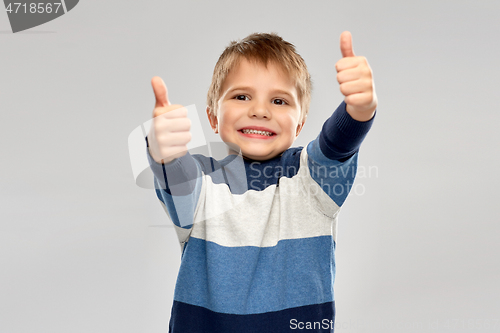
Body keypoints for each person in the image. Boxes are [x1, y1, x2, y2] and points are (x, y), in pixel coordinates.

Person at [146, 31, 377, 333]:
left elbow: (338, 145)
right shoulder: (201, 184)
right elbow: (175, 172)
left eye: (279, 101)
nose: (260, 110)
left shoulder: (311, 178)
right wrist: (162, 149)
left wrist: (359, 110)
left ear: (300, 124)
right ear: (213, 117)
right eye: (241, 96)